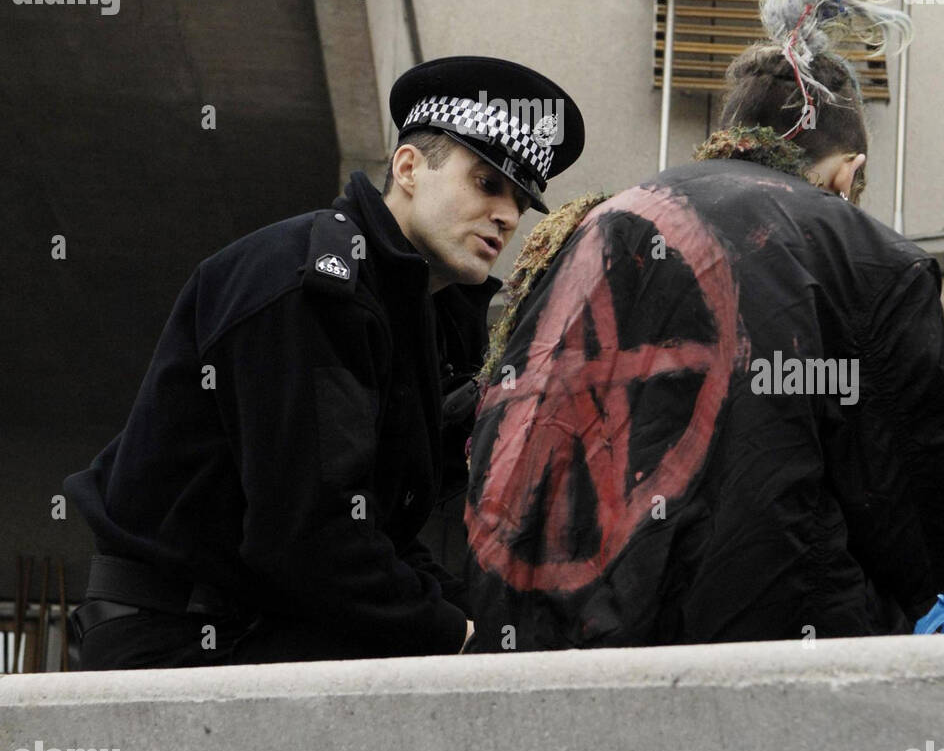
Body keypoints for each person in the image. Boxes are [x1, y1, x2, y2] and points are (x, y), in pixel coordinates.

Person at [463, 0, 944, 651]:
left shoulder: (584, 227)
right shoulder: (865, 255)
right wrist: (916, 597)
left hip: (557, 645)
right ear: (850, 170)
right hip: (768, 641)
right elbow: (912, 477)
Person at [65, 55, 584, 669]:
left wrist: (488, 628)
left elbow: (374, 536)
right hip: (182, 637)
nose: (507, 215)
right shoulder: (309, 285)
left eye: (520, 201)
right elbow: (308, 536)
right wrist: (457, 634)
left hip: (252, 625)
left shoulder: (415, 311)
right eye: (487, 183)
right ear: (409, 167)